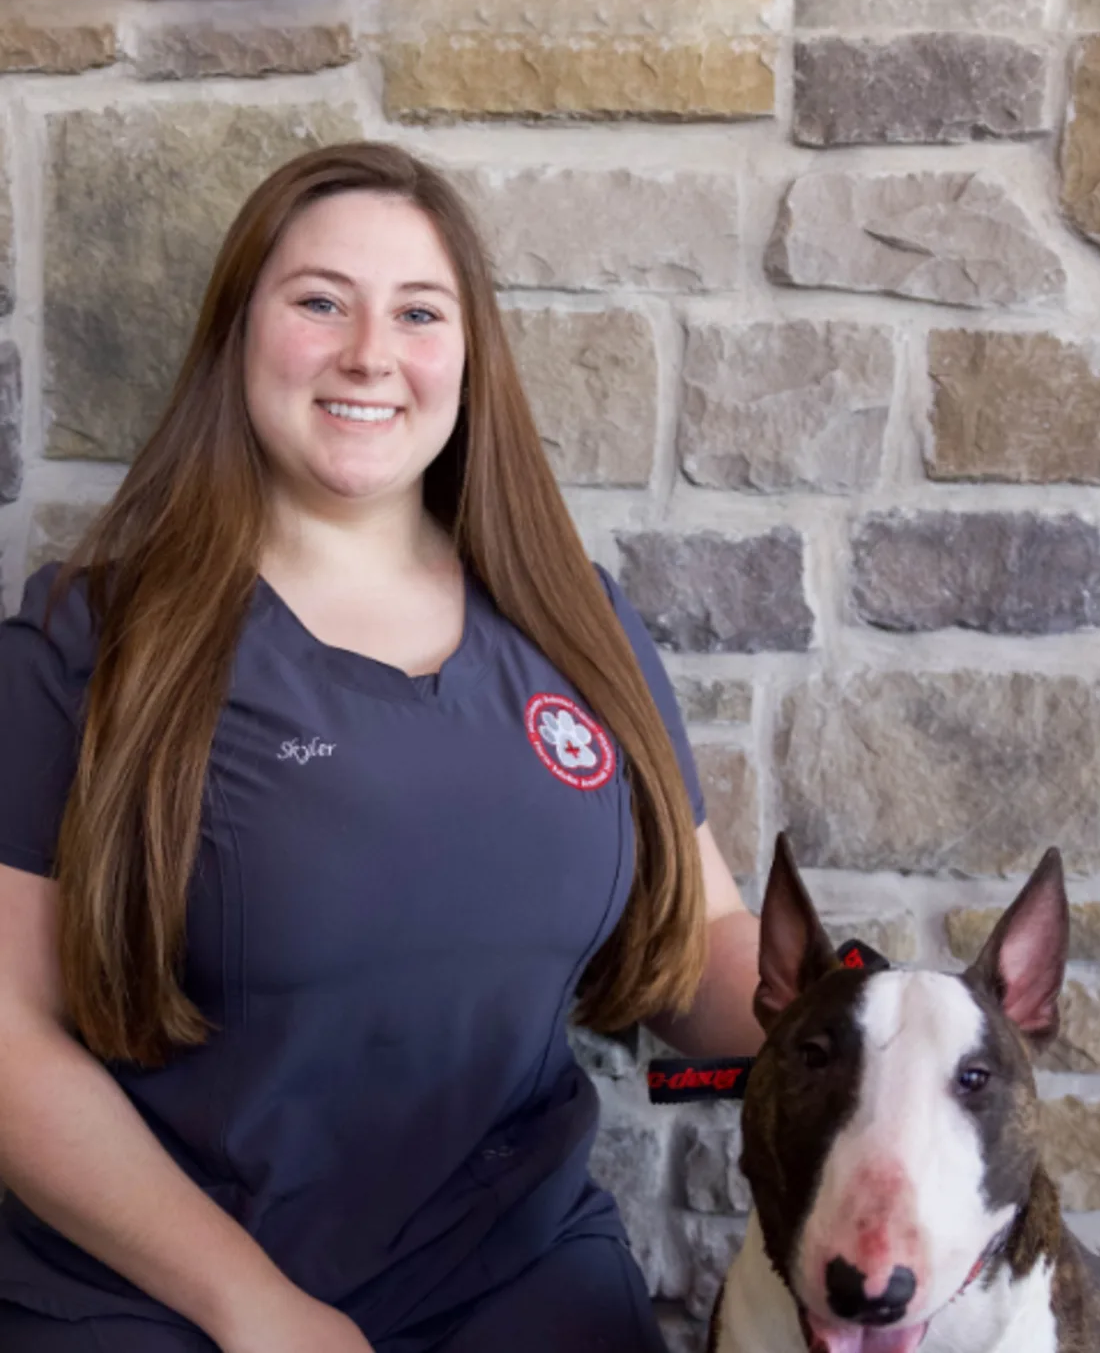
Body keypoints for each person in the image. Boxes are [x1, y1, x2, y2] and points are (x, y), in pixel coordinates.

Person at [0, 142, 763, 1353]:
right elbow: (7, 1029)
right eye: (319, 302)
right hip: (162, 1296)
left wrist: (871, 1018)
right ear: (236, 335)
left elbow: (700, 949)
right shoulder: (85, 641)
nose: (370, 353)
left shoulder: (575, 620)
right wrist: (252, 1306)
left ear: (467, 356)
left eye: (418, 311)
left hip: (512, 1272)